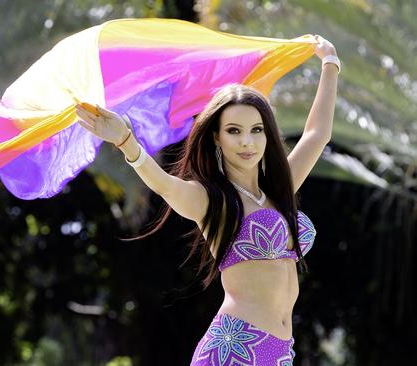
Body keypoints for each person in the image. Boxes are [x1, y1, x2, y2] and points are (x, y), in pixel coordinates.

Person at [75, 34, 338, 365]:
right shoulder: (214, 201)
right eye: (234, 131)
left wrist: (330, 63)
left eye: (257, 130)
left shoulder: (280, 190)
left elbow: (317, 134)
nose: (247, 142)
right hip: (235, 347)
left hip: (280, 350)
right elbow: (166, 186)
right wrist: (126, 140)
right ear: (216, 136)